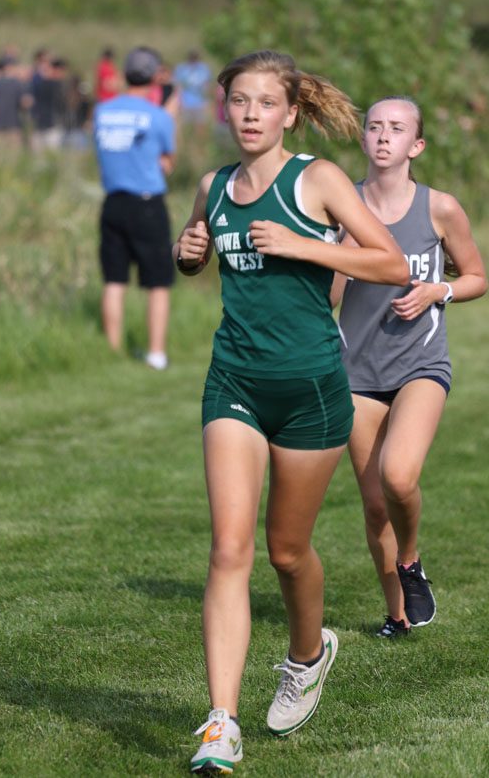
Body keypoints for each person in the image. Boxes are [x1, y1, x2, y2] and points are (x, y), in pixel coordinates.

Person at [174, 50, 409, 774]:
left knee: (286, 552)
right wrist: (187, 253)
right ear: (225, 109)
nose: (250, 115)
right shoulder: (213, 186)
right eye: (238, 102)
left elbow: (393, 264)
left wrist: (307, 245)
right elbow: (197, 253)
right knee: (228, 549)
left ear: (290, 112)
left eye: (264, 103)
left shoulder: (317, 179)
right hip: (235, 382)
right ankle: (221, 723)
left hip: (309, 389)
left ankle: (308, 654)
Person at [331, 96, 488, 639]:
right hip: (356, 371)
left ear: (415, 145)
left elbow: (476, 276)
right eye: (374, 126)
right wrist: (342, 249)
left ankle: (411, 559)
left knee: (398, 476)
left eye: (396, 128)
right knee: (375, 507)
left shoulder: (439, 208)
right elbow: (326, 297)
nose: (382, 135)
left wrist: (436, 291)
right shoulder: (340, 205)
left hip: (422, 362)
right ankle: (397, 615)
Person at [93, 46, 176, 370]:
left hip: (113, 201)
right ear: (156, 76)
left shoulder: (102, 111)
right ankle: (156, 353)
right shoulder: (158, 116)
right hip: (147, 203)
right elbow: (167, 163)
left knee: (114, 280)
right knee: (158, 282)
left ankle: (112, 351)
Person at [173, 49, 212, 134]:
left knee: (201, 126)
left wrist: (206, 102)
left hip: (200, 102)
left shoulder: (203, 68)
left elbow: (207, 86)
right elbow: (178, 87)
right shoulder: (181, 69)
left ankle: (198, 145)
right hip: (186, 102)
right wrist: (179, 102)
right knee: (185, 127)